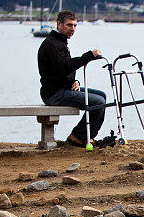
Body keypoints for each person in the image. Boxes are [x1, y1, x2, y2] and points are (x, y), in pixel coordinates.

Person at [38, 9, 105, 147]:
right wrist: (89, 56)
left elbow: (60, 70)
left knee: (102, 96)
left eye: (75, 25)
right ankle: (78, 136)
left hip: (63, 89)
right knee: (98, 102)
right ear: (59, 24)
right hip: (54, 94)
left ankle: (88, 136)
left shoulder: (60, 42)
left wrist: (75, 82)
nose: (72, 29)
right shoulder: (52, 44)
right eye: (69, 25)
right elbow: (64, 67)